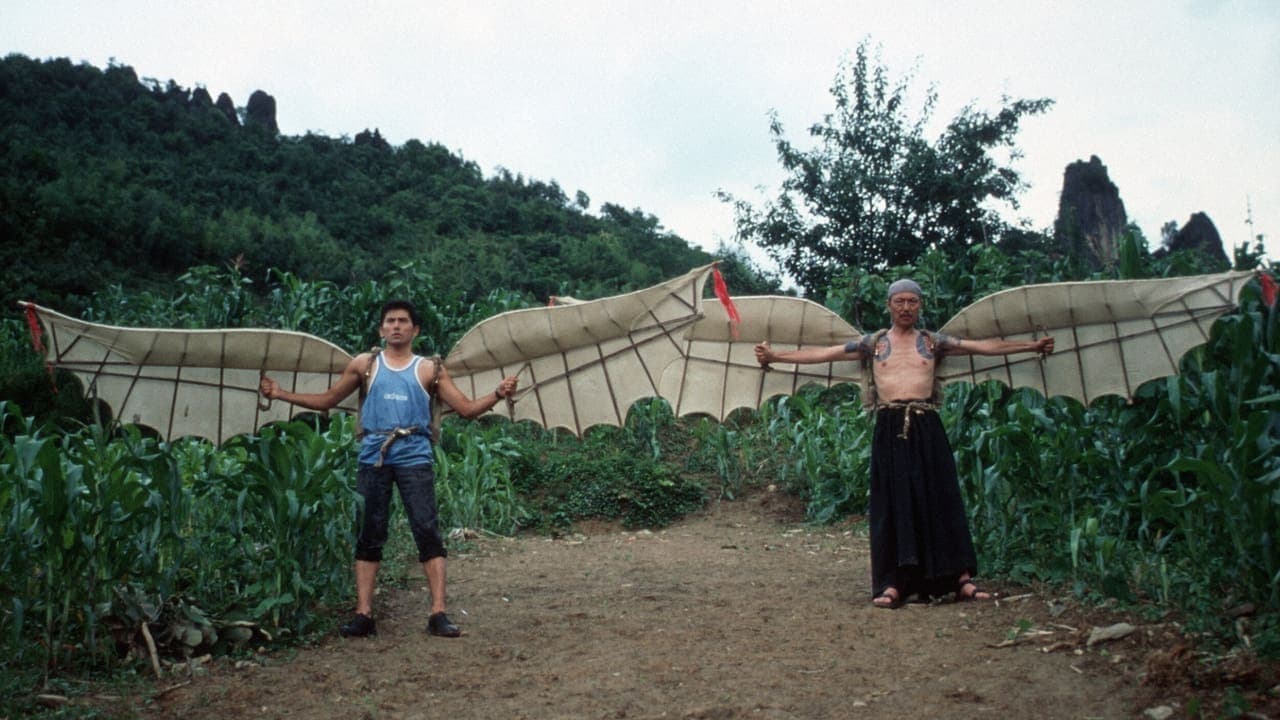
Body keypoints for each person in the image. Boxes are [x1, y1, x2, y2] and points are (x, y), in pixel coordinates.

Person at [754, 279, 1053, 609]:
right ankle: (893, 582)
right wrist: (775, 356)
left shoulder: (933, 343)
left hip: (927, 425)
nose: (907, 307)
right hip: (889, 427)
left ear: (920, 305)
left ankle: (960, 579)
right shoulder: (873, 345)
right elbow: (824, 353)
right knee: (894, 503)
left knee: (941, 498)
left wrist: (1031, 346)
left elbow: (983, 346)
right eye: (900, 301)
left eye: (913, 301)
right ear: (889, 305)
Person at [259, 300, 519, 637]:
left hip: (415, 456)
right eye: (390, 321)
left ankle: (438, 612)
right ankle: (364, 614)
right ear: (381, 329)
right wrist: (280, 394)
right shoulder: (365, 365)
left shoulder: (429, 369)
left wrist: (498, 393)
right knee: (369, 534)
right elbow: (327, 401)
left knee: (426, 530)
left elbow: (467, 409)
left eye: (403, 321)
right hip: (373, 456)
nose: (396, 326)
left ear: (415, 330)